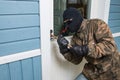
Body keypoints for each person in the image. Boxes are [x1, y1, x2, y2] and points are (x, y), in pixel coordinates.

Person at [57, 8, 120, 80]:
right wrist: (64, 50)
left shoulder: (97, 24)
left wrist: (86, 49)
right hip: (93, 71)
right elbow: (77, 61)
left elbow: (110, 46)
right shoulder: (75, 38)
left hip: (112, 69)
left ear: (76, 18)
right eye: (65, 24)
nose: (67, 26)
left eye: (69, 22)